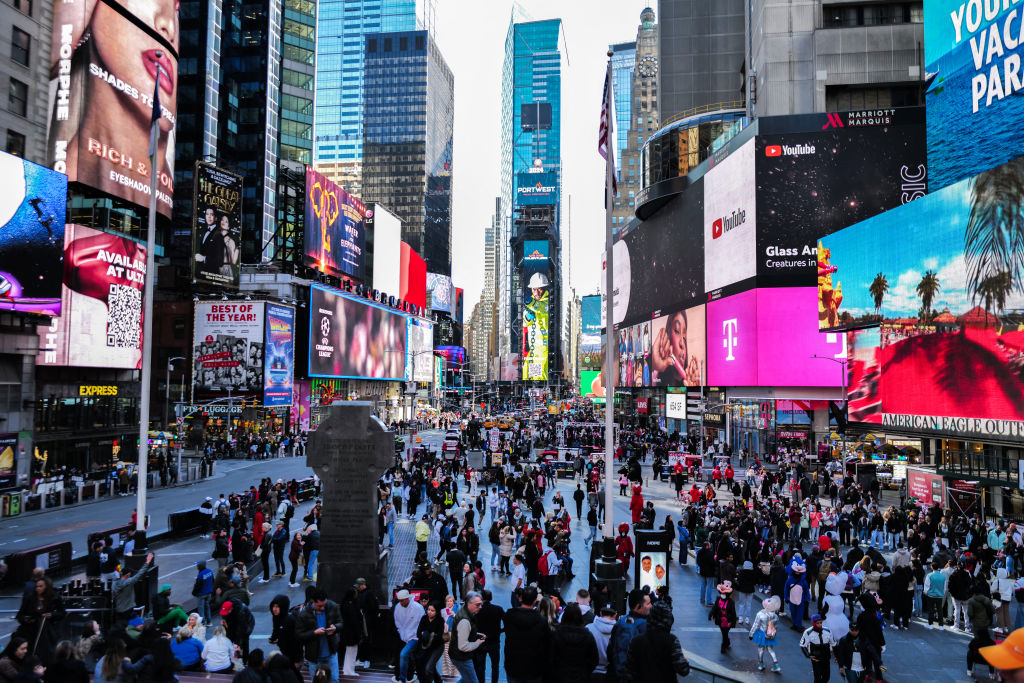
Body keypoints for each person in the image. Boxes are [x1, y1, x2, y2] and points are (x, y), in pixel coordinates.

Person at [624, 601, 690, 682]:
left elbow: (629, 671)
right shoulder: (671, 640)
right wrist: (685, 660)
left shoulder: (636, 640)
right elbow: (683, 670)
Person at [503, 585, 550, 683]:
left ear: (521, 598)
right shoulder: (542, 621)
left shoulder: (509, 616)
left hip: (513, 666)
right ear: (534, 601)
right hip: (533, 669)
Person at [15, 576, 66, 665]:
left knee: (46, 653)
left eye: (40, 586)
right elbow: (20, 615)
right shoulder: (30, 598)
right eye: (36, 586)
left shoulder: (54, 597)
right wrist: (26, 619)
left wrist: (52, 615)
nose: (38, 588)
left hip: (48, 631)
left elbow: (62, 613)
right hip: (31, 630)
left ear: (47, 586)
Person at [295, 587, 341, 683]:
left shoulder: (332, 606)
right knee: (316, 681)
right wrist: (314, 633)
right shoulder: (303, 614)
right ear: (313, 602)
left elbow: (341, 622)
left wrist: (335, 628)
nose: (323, 608)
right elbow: (298, 635)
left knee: (334, 680)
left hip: (331, 653)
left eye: (324, 605)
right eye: (320, 606)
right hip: (314, 657)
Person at [607, 589, 650, 682]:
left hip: (618, 673)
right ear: (638, 606)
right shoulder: (644, 626)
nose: (651, 606)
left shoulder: (621, 622)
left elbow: (610, 648)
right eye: (648, 604)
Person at [549, 603, 598, 683]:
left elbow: (550, 657)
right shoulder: (587, 635)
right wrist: (585, 672)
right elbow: (594, 659)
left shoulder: (556, 634)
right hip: (581, 676)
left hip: (560, 676)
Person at [449, 591, 486, 683]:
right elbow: (463, 646)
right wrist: (477, 643)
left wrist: (475, 634)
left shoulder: (464, 612)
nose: (480, 607)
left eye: (481, 604)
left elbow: (463, 632)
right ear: (469, 604)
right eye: (478, 605)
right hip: (461, 657)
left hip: (458, 655)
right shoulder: (465, 620)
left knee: (466, 679)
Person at [393, 589, 425, 683]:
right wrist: (401, 632)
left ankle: (402, 679)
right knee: (404, 656)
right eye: (399, 600)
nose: (401, 602)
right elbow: (397, 621)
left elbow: (422, 623)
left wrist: (417, 635)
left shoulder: (418, 607)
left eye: (402, 600)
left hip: (414, 637)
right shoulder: (398, 607)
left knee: (403, 654)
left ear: (407, 599)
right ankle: (409, 676)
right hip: (402, 636)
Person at [473, 590, 503, 683]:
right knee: (495, 666)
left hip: (480, 642)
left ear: (481, 599)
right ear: (491, 598)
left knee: (480, 667)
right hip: (494, 641)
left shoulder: (477, 610)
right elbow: (508, 622)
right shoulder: (498, 609)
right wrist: (500, 631)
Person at [268, 595, 301, 673]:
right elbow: (276, 629)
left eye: (277, 607)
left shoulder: (290, 620)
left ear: (283, 607)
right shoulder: (276, 617)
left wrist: (297, 660)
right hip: (284, 651)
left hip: (292, 654)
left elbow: (296, 642)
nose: (274, 609)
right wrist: (273, 638)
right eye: (273, 606)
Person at [749, 596, 783, 673]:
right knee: (770, 649)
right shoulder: (775, 616)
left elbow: (755, 625)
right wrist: (773, 634)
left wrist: (751, 634)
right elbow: (776, 627)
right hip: (770, 634)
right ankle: (776, 665)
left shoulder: (760, 614)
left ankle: (761, 664)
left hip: (762, 634)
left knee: (761, 649)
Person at [799, 614, 837, 683]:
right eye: (817, 623)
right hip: (816, 658)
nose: (819, 625)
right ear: (813, 623)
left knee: (826, 677)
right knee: (818, 678)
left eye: (820, 623)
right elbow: (802, 645)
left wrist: (837, 656)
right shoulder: (808, 632)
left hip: (826, 657)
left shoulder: (828, 631)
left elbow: (833, 644)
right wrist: (808, 655)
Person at [338, 589, 363, 677]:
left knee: (349, 651)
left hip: (346, 631)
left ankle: (347, 669)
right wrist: (359, 634)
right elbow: (355, 621)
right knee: (352, 652)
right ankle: (349, 670)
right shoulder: (352, 605)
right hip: (352, 632)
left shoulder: (344, 603)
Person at [709, 580, 737, 653]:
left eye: (724, 593)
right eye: (722, 593)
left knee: (725, 633)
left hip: (728, 621)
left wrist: (733, 622)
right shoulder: (718, 600)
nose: (723, 594)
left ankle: (724, 645)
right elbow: (714, 608)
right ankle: (726, 643)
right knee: (724, 633)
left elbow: (733, 613)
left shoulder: (731, 602)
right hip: (720, 620)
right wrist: (711, 614)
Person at [193, 561, 215, 626]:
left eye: (197, 565)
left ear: (200, 566)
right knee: (207, 607)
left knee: (201, 609)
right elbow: (213, 581)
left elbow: (198, 586)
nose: (196, 566)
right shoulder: (209, 571)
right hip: (209, 592)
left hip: (202, 594)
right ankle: (209, 621)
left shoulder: (200, 574)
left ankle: (202, 623)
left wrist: (194, 593)